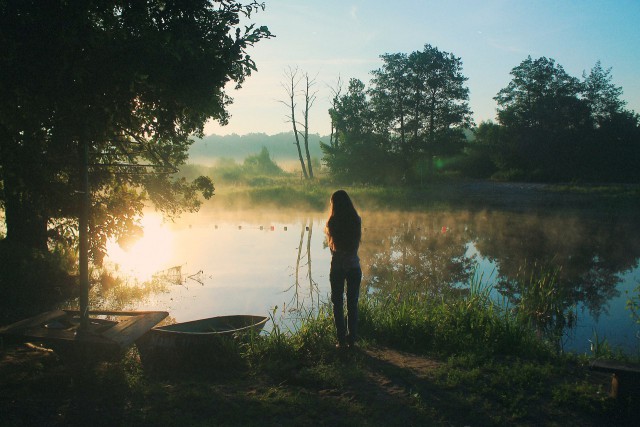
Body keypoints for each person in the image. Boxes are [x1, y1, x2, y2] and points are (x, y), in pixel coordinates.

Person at [325, 190, 362, 349]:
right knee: (352, 303)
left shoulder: (332, 222)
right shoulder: (356, 220)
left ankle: (341, 340)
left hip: (338, 268)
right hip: (353, 266)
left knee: (337, 303)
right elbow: (355, 245)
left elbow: (333, 248)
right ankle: (352, 339)